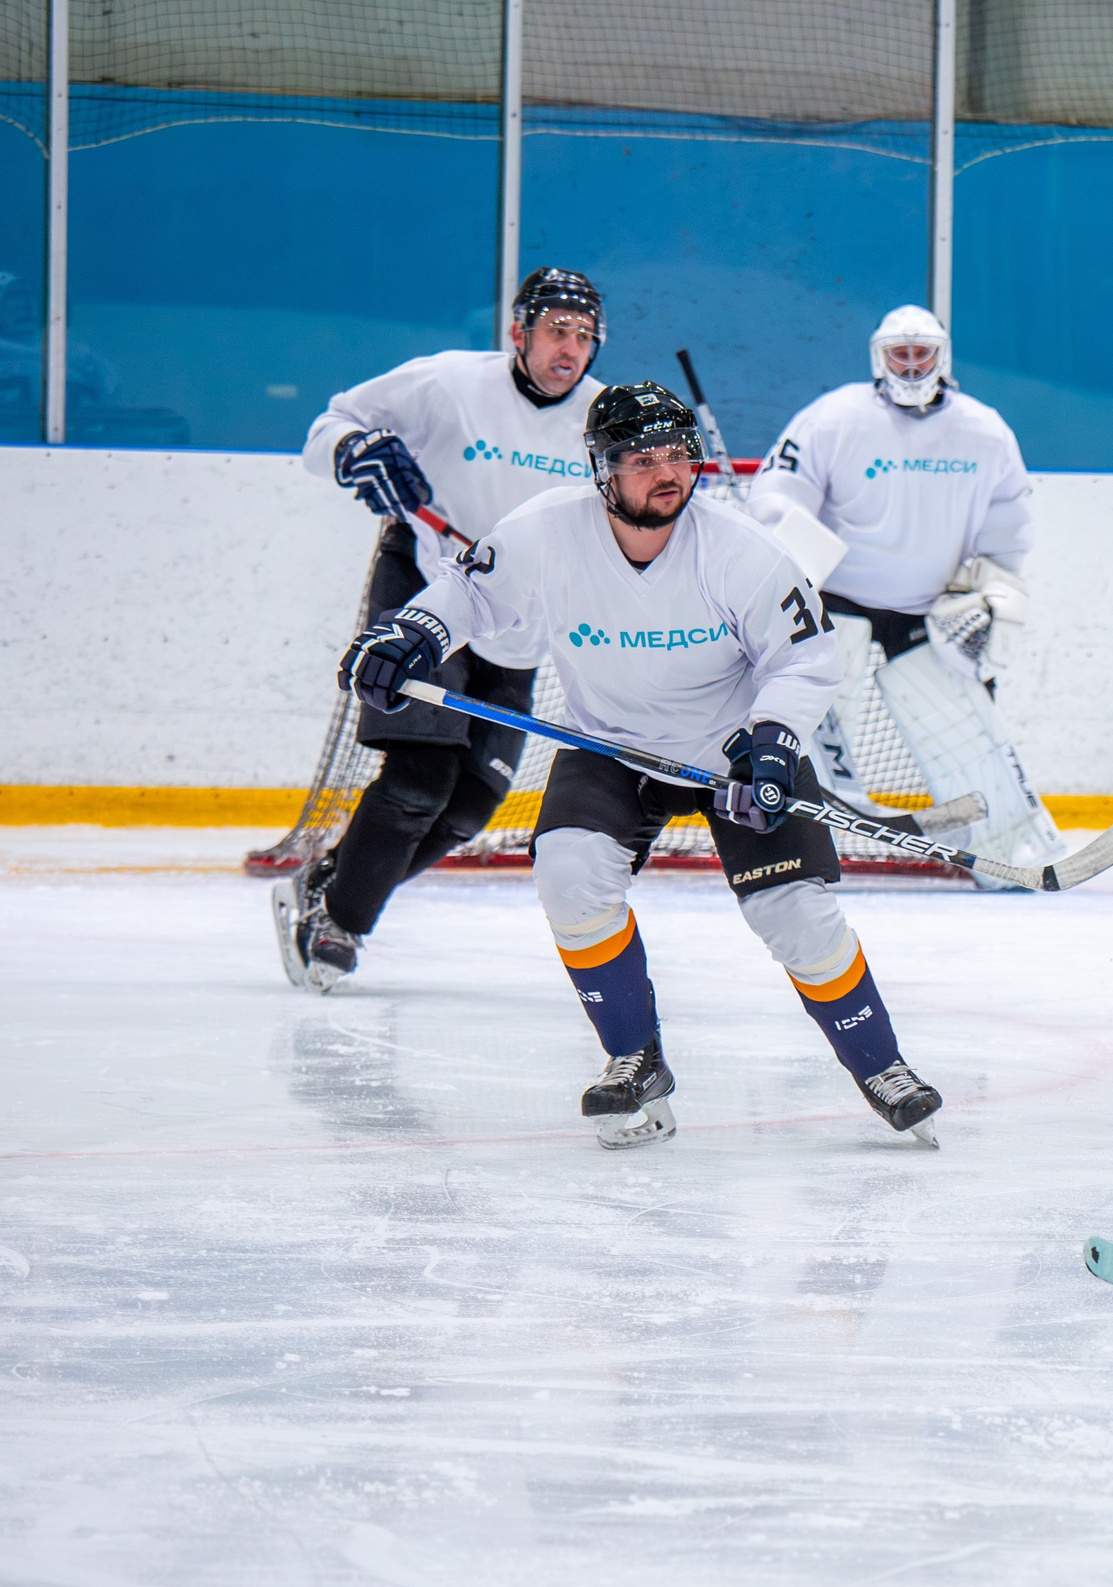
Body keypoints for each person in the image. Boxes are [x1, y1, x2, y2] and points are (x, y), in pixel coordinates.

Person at [334, 383, 946, 1150]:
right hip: (610, 746)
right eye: (643, 458)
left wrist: (776, 736)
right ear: (601, 469)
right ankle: (635, 1058)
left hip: (735, 754)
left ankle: (880, 1065)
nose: (668, 473)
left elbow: (807, 657)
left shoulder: (742, 550)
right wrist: (413, 634)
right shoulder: (546, 529)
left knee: (795, 914)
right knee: (567, 872)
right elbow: (467, 593)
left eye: (678, 455)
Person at [274, 267, 609, 991]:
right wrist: (353, 452)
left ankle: (335, 881)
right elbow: (329, 424)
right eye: (556, 328)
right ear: (519, 333)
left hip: (519, 615)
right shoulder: (449, 382)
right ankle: (338, 921)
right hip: (430, 585)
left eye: (584, 335)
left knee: (469, 806)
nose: (570, 347)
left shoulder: (604, 417)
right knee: (419, 781)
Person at [744, 305, 1060, 869]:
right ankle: (793, 841)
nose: (912, 365)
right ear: (878, 357)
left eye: (922, 354)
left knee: (963, 733)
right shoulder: (833, 418)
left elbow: (1009, 529)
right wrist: (797, 573)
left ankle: (1003, 848)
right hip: (834, 601)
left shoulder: (984, 431)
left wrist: (988, 595)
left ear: (943, 358)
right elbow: (775, 495)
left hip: (931, 608)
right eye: (900, 354)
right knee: (801, 717)